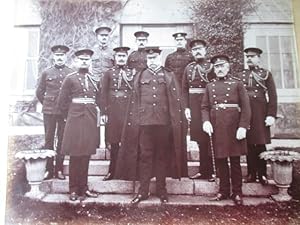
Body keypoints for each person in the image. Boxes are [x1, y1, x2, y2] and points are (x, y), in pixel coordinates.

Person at [114, 47, 188, 204]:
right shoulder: (140, 75)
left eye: (154, 58)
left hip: (163, 124)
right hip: (145, 124)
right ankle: (143, 191)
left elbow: (176, 100)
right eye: (149, 59)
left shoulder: (169, 75)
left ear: (160, 58)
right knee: (145, 157)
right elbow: (134, 100)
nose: (152, 62)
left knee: (162, 156)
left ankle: (162, 190)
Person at [201, 54, 251, 205]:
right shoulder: (210, 86)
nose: (219, 69)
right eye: (217, 67)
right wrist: (206, 122)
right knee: (220, 160)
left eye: (222, 66)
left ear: (228, 67)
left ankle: (237, 193)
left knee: (235, 161)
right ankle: (223, 191)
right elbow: (204, 107)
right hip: (217, 126)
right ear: (214, 69)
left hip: (234, 126)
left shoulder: (237, 84)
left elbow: (246, 107)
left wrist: (243, 126)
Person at [57, 48, 99, 201]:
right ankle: (73, 189)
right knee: (75, 155)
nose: (84, 62)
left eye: (87, 59)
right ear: (76, 61)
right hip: (74, 119)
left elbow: (98, 99)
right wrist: (68, 118)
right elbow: (62, 102)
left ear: (90, 62)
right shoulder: (70, 78)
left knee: (86, 154)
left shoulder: (94, 79)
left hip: (90, 119)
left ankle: (84, 188)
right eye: (81, 59)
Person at [36, 44, 74, 180]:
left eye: (62, 55)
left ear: (66, 57)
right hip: (49, 111)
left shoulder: (70, 72)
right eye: (57, 56)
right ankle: (48, 170)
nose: (60, 58)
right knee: (49, 140)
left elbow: (72, 93)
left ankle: (59, 169)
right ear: (53, 57)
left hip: (64, 112)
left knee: (62, 140)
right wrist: (47, 103)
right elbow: (39, 92)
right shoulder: (47, 72)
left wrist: (67, 107)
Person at [240, 47, 277, 185]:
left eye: (252, 56)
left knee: (260, 143)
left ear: (259, 58)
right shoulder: (240, 74)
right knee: (248, 143)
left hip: (261, 112)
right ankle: (251, 173)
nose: (249, 59)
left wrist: (271, 115)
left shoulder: (266, 74)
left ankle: (262, 174)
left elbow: (273, 96)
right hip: (246, 112)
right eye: (247, 56)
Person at [99, 46, 135, 181]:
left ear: (126, 58)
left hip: (127, 112)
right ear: (115, 58)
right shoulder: (108, 73)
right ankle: (112, 171)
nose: (121, 58)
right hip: (113, 112)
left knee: (129, 142)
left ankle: (129, 172)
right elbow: (103, 94)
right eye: (119, 56)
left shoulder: (132, 72)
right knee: (114, 142)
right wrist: (103, 112)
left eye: (123, 56)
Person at [182, 39, 215, 181]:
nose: (197, 51)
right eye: (195, 49)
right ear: (191, 52)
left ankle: (213, 171)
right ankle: (203, 170)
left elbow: (216, 87)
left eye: (200, 49)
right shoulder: (188, 68)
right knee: (200, 140)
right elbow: (184, 90)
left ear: (205, 50)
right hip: (194, 107)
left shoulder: (212, 67)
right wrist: (186, 108)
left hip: (208, 106)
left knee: (210, 138)